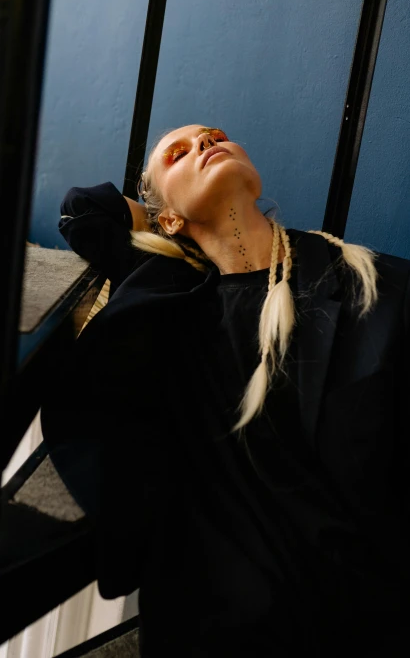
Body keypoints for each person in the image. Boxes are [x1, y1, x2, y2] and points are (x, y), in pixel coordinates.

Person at [41, 124, 410, 657]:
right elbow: (84, 210)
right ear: (168, 218)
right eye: (179, 152)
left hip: (360, 610)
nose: (205, 145)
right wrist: (159, 219)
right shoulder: (172, 297)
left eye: (214, 137)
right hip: (216, 618)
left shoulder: (375, 286)